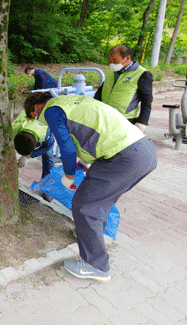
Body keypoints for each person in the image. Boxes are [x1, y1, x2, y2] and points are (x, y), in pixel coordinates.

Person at [24, 92, 157, 282]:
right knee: (98, 200)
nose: (40, 121)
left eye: (35, 117)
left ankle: (96, 265)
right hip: (143, 150)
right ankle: (87, 233)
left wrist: (69, 175)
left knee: (84, 204)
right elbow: (87, 132)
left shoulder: (52, 111)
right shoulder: (70, 99)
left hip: (124, 155)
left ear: (37, 108)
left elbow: (67, 148)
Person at [94, 44, 153, 133]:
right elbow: (101, 91)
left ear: (127, 58)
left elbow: (147, 100)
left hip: (125, 120)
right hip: (105, 116)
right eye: (110, 61)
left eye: (115, 60)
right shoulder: (111, 72)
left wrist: (142, 122)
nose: (112, 63)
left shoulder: (142, 74)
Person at [12, 111, 55, 179]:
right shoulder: (13, 130)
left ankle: (47, 182)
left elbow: (47, 147)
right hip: (28, 114)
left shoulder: (45, 133)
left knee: (48, 154)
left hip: (43, 115)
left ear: (36, 143)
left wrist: (28, 156)